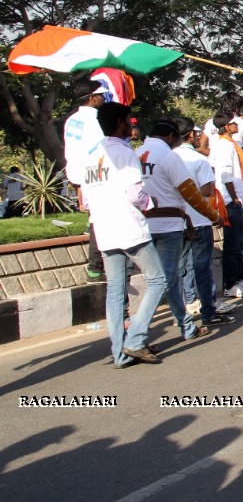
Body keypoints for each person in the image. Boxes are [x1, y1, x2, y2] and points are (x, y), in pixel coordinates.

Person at [81, 103, 168, 367]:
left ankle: (119, 352)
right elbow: (135, 195)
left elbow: (84, 200)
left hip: (104, 230)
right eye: (129, 121)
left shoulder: (91, 156)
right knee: (158, 280)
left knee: (115, 290)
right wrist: (151, 202)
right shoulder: (125, 154)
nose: (131, 125)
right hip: (129, 228)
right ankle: (135, 339)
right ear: (120, 123)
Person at [137, 118, 222, 341]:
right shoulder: (167, 155)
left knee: (171, 278)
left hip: (144, 225)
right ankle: (137, 332)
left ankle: (185, 325)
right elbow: (191, 193)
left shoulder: (136, 153)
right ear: (170, 136)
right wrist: (213, 215)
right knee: (163, 280)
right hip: (169, 225)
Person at [173, 119, 235, 326]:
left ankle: (182, 311)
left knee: (179, 268)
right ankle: (208, 311)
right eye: (197, 134)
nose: (200, 137)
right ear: (191, 135)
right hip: (198, 219)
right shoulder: (199, 160)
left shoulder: (167, 158)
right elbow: (208, 191)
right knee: (202, 267)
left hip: (176, 221)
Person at [208, 111, 243, 299]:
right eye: (234, 123)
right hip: (229, 200)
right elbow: (226, 175)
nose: (237, 125)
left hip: (236, 198)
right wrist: (235, 197)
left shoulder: (229, 145)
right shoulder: (224, 146)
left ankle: (238, 280)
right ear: (227, 127)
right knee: (232, 244)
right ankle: (230, 283)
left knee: (237, 243)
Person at [63, 79, 108, 279]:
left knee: (95, 218)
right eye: (101, 95)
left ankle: (97, 266)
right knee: (99, 219)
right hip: (95, 174)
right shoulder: (95, 121)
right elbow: (103, 149)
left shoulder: (72, 120)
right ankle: (96, 267)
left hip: (79, 173)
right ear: (91, 98)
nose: (104, 98)